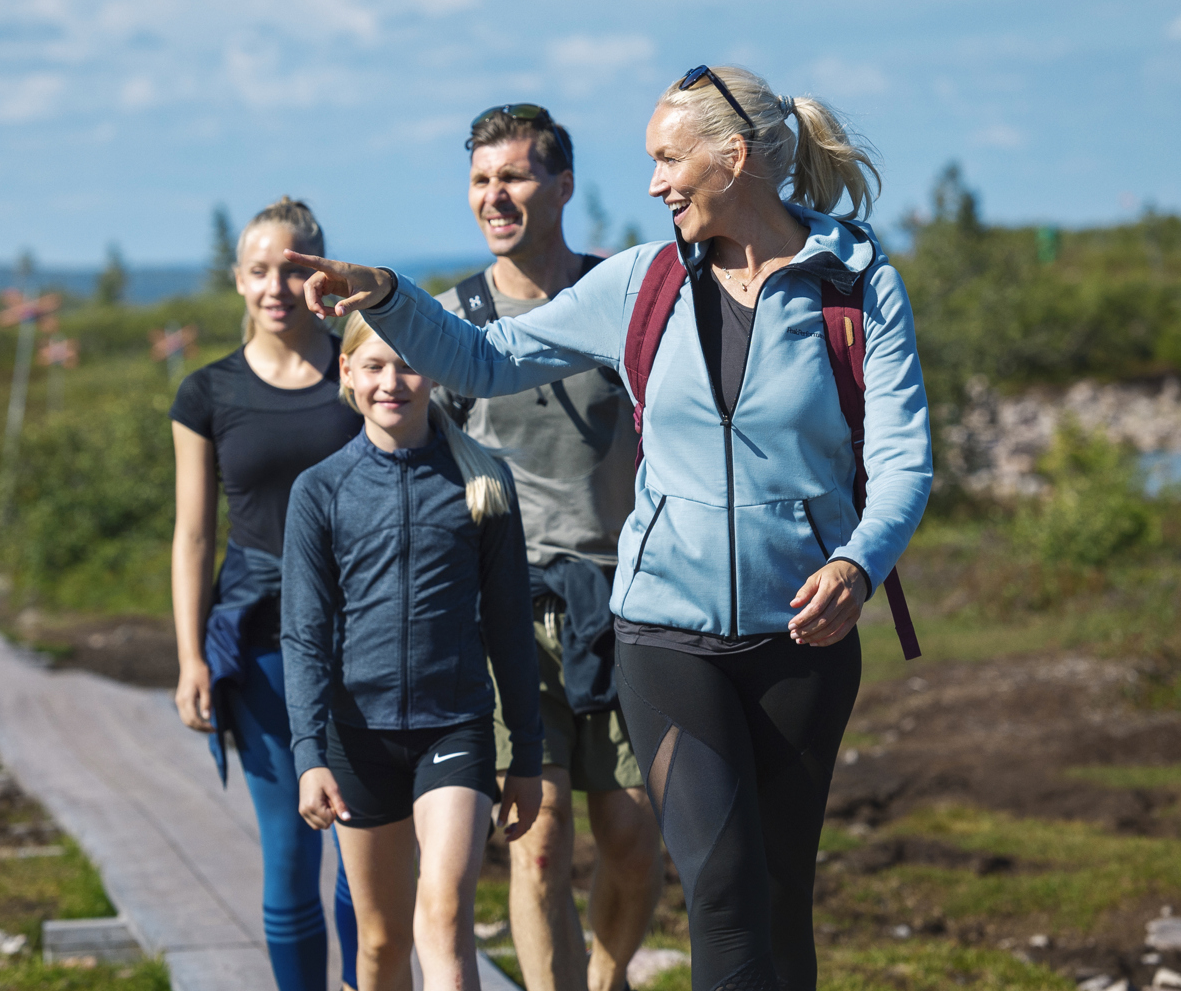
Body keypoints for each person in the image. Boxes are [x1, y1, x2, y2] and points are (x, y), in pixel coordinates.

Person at [292, 65, 932, 991]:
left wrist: (856, 566)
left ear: (734, 158)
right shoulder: (643, 282)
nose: (654, 182)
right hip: (665, 633)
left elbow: (905, 461)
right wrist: (386, 294)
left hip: (804, 633)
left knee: (782, 891)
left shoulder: (857, 284)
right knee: (718, 889)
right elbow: (484, 355)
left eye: (669, 159)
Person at [439, 103, 663, 991]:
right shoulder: (455, 320)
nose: (497, 196)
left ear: (563, 185)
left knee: (635, 842)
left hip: (623, 603)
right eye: (482, 181)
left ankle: (604, 981)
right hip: (504, 610)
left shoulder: (624, 306)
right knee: (535, 852)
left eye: (516, 176)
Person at [284, 316, 546, 991]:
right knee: (379, 944)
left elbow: (511, 626)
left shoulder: (483, 484)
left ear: (432, 371)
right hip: (357, 738)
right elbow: (304, 634)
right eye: (372, 367)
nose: (391, 382)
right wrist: (309, 754)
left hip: (454, 727)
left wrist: (526, 752)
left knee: (446, 913)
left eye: (406, 366)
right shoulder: (319, 491)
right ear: (347, 374)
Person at [169, 197, 361, 991]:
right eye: (259, 270)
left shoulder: (362, 365)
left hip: (364, 634)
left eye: (292, 268)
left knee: (364, 849)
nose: (276, 286)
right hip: (258, 639)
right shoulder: (206, 393)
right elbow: (192, 535)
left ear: (319, 271)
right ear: (238, 281)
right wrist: (189, 658)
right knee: (289, 850)